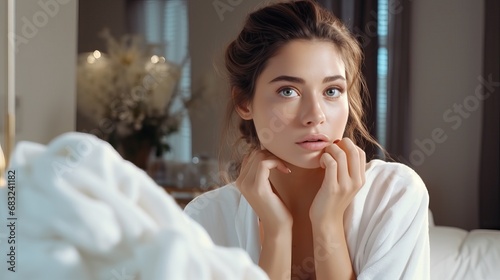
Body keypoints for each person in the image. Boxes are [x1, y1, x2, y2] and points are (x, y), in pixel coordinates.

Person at [184, 1, 430, 279]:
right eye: (288, 91)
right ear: (244, 102)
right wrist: (276, 233)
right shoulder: (206, 219)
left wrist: (327, 223)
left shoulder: (393, 196)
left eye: (332, 90)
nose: (315, 115)